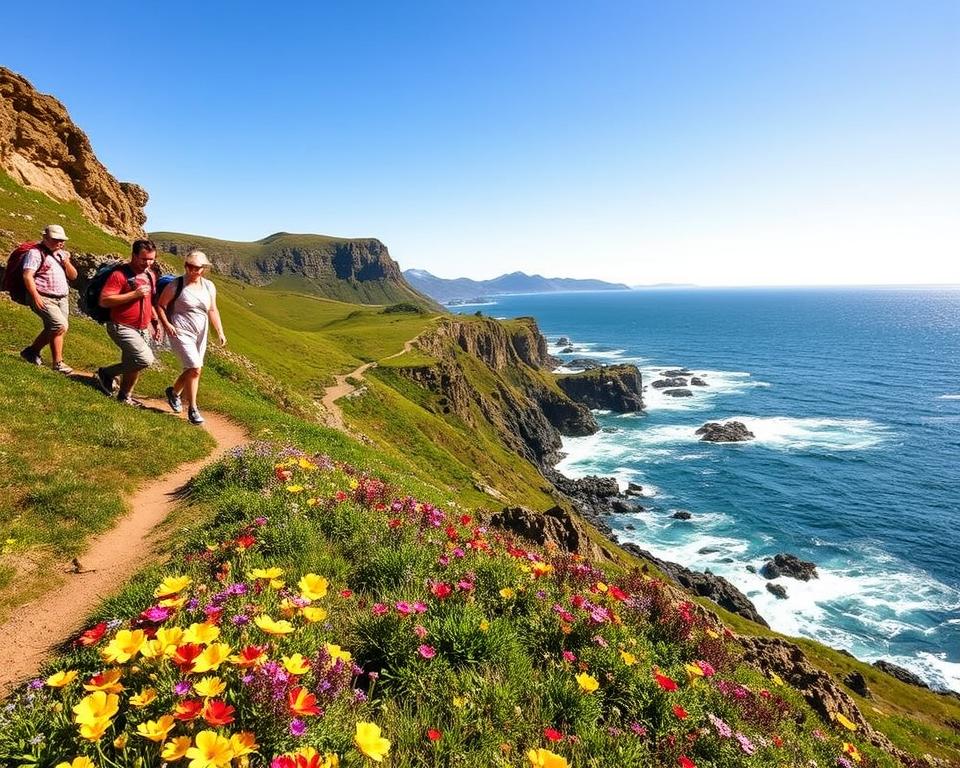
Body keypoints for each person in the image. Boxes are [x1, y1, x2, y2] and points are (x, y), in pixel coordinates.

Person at [156, 250, 226, 424]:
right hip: (180, 330)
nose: (192, 270)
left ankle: (173, 393)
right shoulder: (175, 285)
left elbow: (212, 309)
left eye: (197, 267)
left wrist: (220, 331)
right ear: (185, 266)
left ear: (204, 269)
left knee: (192, 368)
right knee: (195, 368)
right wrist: (167, 324)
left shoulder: (209, 286)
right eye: (189, 266)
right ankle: (193, 409)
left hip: (200, 332)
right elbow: (161, 305)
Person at [95, 239, 162, 405]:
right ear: (133, 255)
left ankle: (125, 396)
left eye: (151, 259)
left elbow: (149, 301)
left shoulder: (150, 275)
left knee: (133, 363)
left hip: (143, 327)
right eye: (144, 259)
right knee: (144, 359)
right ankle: (107, 373)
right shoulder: (119, 275)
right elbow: (104, 300)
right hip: (121, 325)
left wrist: (155, 320)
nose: (147, 263)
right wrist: (134, 295)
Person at [20, 224, 78, 373]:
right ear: (45, 238)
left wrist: (66, 262)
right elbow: (27, 276)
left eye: (62, 240)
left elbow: (73, 276)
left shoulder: (61, 254)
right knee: (59, 326)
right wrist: (35, 296)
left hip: (62, 298)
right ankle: (58, 363)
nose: (60, 243)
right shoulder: (35, 253)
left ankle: (31, 352)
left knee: (58, 328)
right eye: (56, 239)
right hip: (44, 296)